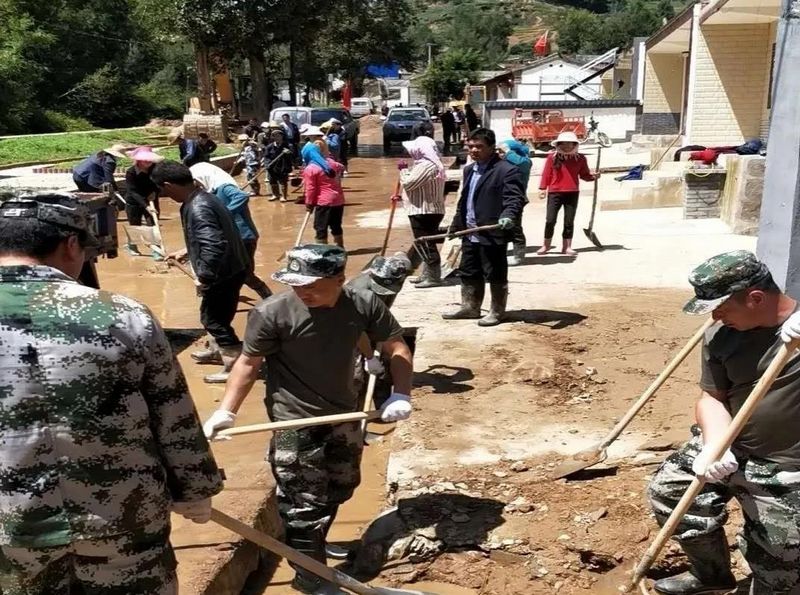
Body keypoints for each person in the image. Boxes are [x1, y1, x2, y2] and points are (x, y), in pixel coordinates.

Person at [0, 193, 223, 594]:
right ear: (71, 245)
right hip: (123, 517)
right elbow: (171, 412)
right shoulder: (124, 314)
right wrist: (195, 489)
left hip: (13, 528)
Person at [201, 244, 414, 595]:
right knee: (302, 504)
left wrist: (401, 393)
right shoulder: (271, 313)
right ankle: (311, 578)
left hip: (345, 414)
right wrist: (227, 411)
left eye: (312, 286)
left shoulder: (363, 303)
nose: (303, 293)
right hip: (292, 423)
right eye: (296, 285)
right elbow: (248, 364)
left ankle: (315, 547)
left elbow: (397, 347)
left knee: (341, 486)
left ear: (340, 280)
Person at [648, 250, 800, 595]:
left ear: (755, 298)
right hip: (731, 447)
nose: (714, 316)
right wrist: (716, 445)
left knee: (781, 562)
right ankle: (711, 574)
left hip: (787, 467)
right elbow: (712, 397)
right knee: (670, 490)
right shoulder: (721, 336)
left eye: (721, 307)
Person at [152, 161, 250, 384]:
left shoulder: (198, 207)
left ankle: (234, 365)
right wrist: (185, 251)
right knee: (217, 315)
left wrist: (204, 276)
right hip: (233, 267)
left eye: (161, 189)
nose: (164, 195)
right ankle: (217, 350)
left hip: (222, 273)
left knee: (213, 320)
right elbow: (212, 236)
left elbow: (213, 245)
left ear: (168, 185)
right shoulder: (205, 197)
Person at [442, 128, 524, 327]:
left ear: (492, 147)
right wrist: (456, 223)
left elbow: (514, 199)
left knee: (495, 272)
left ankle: (497, 311)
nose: (474, 150)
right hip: (470, 231)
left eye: (479, 146)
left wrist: (507, 216)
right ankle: (470, 307)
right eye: (470, 146)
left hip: (492, 230)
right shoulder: (470, 169)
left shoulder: (506, 170)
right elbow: (464, 200)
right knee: (469, 270)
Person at [190, 161, 273, 301]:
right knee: (226, 272)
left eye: (196, 180)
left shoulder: (224, 187)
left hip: (244, 237)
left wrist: (225, 213)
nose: (196, 184)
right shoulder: (211, 192)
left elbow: (242, 196)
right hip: (228, 237)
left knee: (245, 274)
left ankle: (269, 298)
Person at [536, 131, 598, 256]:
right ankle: (546, 245)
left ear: (574, 145)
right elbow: (546, 174)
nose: (566, 146)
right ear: (558, 144)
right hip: (555, 192)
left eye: (569, 144)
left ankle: (567, 247)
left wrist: (593, 177)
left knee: (569, 221)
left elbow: (584, 175)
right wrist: (542, 188)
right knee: (550, 220)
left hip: (572, 192)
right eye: (563, 144)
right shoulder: (552, 157)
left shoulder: (580, 158)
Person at [398, 135, 446, 288]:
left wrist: (403, 170)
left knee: (425, 243)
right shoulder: (429, 164)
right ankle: (426, 274)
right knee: (424, 243)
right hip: (427, 209)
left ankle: (433, 277)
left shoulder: (427, 165)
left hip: (424, 210)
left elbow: (409, 183)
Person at [497, 140, 532, 266]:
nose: (501, 154)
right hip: (501, 199)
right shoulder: (503, 164)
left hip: (516, 200)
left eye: (502, 152)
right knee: (501, 228)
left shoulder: (524, 162)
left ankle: (519, 256)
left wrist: (508, 151)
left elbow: (522, 163)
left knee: (515, 227)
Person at [303, 143, 346, 247]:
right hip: (338, 200)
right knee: (336, 226)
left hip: (324, 202)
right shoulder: (331, 163)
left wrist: (309, 204)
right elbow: (341, 167)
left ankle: (322, 250)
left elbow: (311, 189)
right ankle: (340, 247)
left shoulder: (310, 169)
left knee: (320, 227)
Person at [123, 146, 163, 226]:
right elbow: (132, 191)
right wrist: (146, 206)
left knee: (153, 224)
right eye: (145, 159)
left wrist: (155, 192)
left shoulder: (156, 169)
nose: (148, 161)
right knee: (135, 226)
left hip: (151, 199)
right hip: (134, 201)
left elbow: (160, 183)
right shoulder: (131, 172)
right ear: (139, 160)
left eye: (149, 159)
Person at [264, 129, 294, 202]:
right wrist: (267, 164)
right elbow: (266, 157)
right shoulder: (269, 146)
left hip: (283, 166)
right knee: (272, 181)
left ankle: (284, 196)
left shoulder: (288, 145)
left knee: (283, 181)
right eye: (275, 136)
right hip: (272, 166)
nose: (277, 137)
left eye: (278, 136)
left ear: (282, 136)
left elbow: (293, 156)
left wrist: (288, 152)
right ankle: (275, 195)